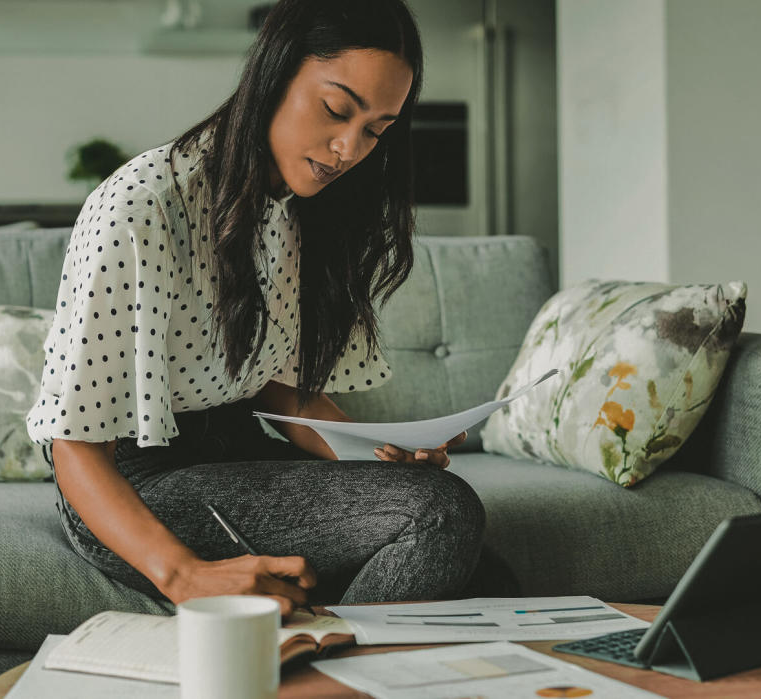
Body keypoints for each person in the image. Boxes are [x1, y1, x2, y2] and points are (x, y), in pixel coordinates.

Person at [26, 0, 504, 620]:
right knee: (441, 513)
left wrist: (380, 454)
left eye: (376, 130)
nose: (348, 147)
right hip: (130, 489)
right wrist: (185, 576)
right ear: (275, 73)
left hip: (232, 454)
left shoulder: (298, 208)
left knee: (487, 569)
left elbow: (280, 392)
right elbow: (77, 445)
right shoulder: (143, 204)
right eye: (337, 110)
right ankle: (327, 676)